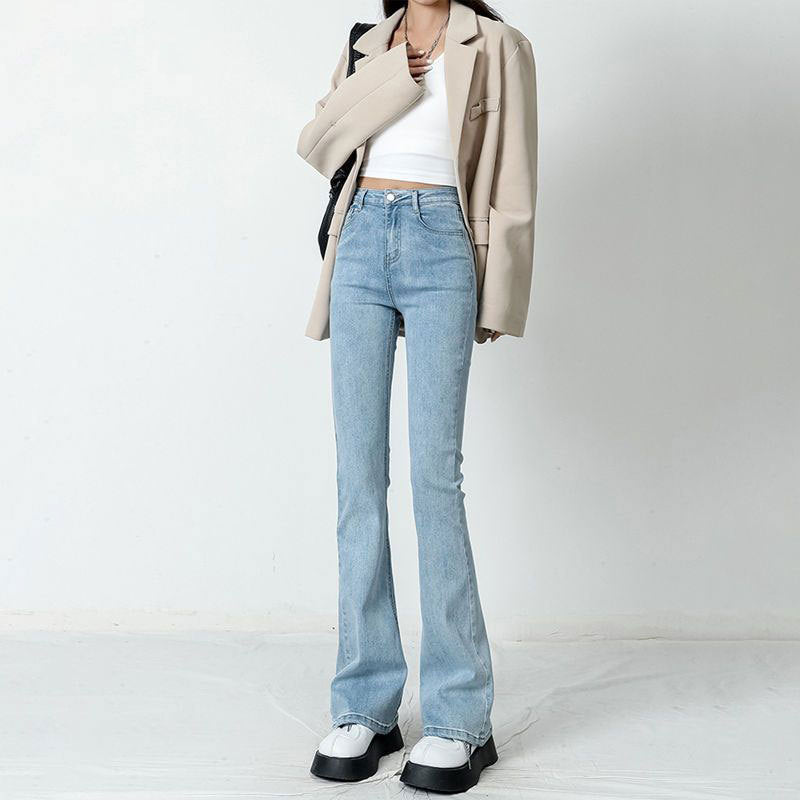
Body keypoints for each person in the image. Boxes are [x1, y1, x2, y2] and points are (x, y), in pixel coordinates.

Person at [296, 0, 537, 792]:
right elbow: (321, 142)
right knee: (357, 479)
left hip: (444, 241)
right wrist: (391, 74)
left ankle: (460, 719)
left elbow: (514, 177)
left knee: (436, 480)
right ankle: (366, 705)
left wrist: (500, 292)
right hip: (362, 237)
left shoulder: (498, 45)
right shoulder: (368, 44)